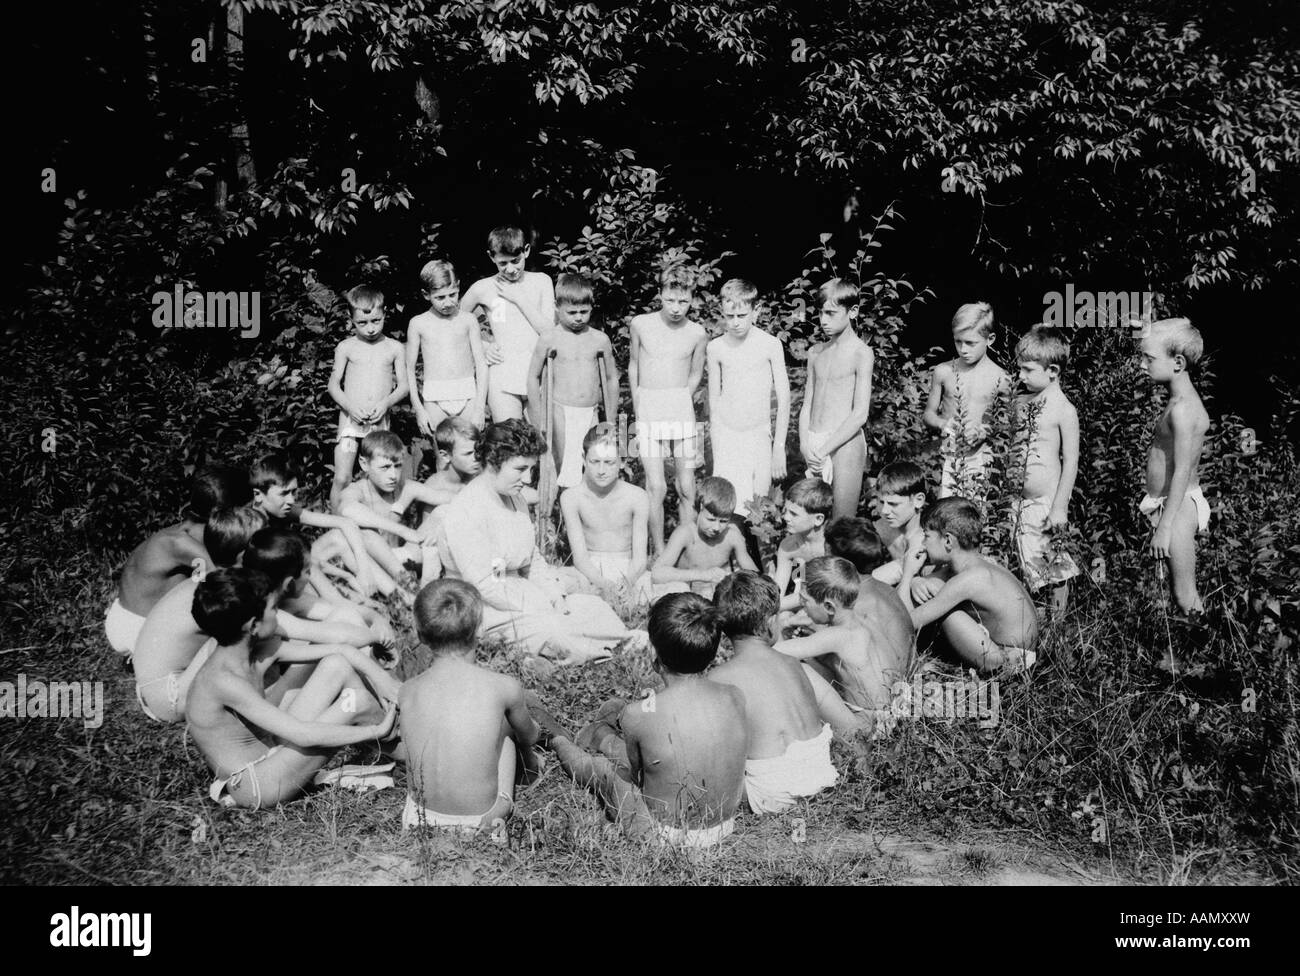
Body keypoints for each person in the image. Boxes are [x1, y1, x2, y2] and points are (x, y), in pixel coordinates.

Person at [133, 508, 380, 724]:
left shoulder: (226, 580)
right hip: (171, 697)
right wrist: (376, 637)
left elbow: (316, 607)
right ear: (245, 557)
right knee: (267, 637)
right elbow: (319, 630)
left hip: (159, 686)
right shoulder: (236, 594)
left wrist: (369, 617)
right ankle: (298, 712)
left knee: (270, 629)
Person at [543, 592, 749, 847]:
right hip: (722, 825)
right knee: (621, 712)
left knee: (605, 770)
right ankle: (600, 732)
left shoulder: (638, 714)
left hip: (663, 834)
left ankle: (559, 741)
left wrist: (610, 743)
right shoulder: (735, 695)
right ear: (712, 650)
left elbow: (635, 773)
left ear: (656, 654)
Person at [186, 568, 399, 810]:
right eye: (274, 610)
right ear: (254, 625)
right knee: (356, 702)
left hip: (273, 752)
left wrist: (381, 678)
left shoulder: (254, 648)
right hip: (257, 784)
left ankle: (397, 733)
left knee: (336, 666)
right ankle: (411, 752)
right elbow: (302, 735)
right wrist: (374, 731)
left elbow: (339, 650)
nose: (278, 616)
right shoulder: (223, 680)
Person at [436, 420, 641, 665]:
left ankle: (618, 643)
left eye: (531, 469)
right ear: (492, 462)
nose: (527, 478)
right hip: (478, 607)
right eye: (520, 469)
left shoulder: (515, 499)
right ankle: (601, 652)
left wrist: (554, 594)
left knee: (591, 606)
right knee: (551, 628)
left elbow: (531, 558)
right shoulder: (467, 510)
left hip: (520, 594)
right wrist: (539, 604)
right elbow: (485, 584)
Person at [399, 579, 543, 833]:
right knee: (507, 724)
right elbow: (530, 736)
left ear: (420, 635)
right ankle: (505, 800)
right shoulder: (502, 686)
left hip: (419, 816)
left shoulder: (407, 690)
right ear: (478, 630)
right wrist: (533, 729)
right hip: (480, 817)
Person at [711, 571, 839, 814]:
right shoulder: (793, 663)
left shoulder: (719, 678)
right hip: (821, 776)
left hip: (772, 792)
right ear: (771, 623)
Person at [106, 464, 250, 657]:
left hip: (132, 617)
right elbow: (222, 588)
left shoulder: (189, 532)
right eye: (247, 511)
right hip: (134, 626)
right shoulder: (183, 545)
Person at [900, 497, 1038, 673]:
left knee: (943, 611)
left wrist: (906, 575)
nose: (923, 544)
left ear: (948, 541)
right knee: (936, 595)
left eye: (926, 536)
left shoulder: (968, 579)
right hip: (1018, 654)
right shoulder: (978, 565)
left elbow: (907, 622)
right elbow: (930, 581)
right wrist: (916, 581)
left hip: (1010, 663)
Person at [628, 267, 708, 553]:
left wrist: (681, 398)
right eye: (670, 300)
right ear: (660, 294)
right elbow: (634, 365)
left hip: (680, 409)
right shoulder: (640, 324)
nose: (676, 308)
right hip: (648, 406)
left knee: (686, 485)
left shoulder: (698, 333)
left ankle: (689, 550)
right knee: (656, 485)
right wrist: (639, 403)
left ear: (692, 299)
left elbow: (696, 372)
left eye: (683, 301)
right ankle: (660, 552)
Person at [776, 557, 905, 732]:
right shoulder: (862, 621)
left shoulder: (837, 636)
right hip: (894, 713)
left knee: (795, 665)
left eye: (804, 601)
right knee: (817, 660)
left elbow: (777, 651)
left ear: (829, 607)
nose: (802, 607)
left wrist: (780, 628)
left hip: (870, 724)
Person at [1139, 318, 1210, 614]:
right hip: (1170, 503)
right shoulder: (1178, 400)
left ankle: (1207, 653)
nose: (1143, 364)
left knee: (1184, 595)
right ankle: (1181, 654)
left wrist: (1166, 526)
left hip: (1178, 509)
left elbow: (1182, 470)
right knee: (1174, 592)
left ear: (1178, 362)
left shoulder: (1183, 410)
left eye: (1149, 358)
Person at [526, 272, 618, 501]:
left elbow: (610, 379)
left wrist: (612, 419)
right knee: (562, 466)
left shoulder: (599, 339)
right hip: (560, 411)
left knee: (593, 465)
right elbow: (532, 377)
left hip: (591, 411)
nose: (578, 318)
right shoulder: (550, 338)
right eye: (572, 312)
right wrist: (538, 418)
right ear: (557, 307)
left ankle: (585, 515)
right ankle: (554, 518)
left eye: (584, 312)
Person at [1011, 326, 1081, 613]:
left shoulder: (1064, 409)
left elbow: (1071, 460)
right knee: (1026, 564)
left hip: (1046, 501)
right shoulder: (1020, 402)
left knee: (1053, 566)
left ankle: (1057, 628)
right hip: (1017, 499)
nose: (1020, 376)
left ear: (1052, 370)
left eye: (1027, 370)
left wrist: (1060, 507)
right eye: (1019, 369)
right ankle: (1032, 621)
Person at [706, 278, 790, 510]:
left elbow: (784, 400)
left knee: (758, 507)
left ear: (756, 311)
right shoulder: (716, 348)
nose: (735, 323)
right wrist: (717, 445)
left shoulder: (770, 344)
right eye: (729, 316)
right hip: (728, 437)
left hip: (758, 436)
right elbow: (714, 401)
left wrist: (779, 448)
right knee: (726, 507)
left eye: (741, 316)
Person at [249, 451, 378, 600]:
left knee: (338, 537)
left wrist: (364, 569)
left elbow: (345, 522)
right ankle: (344, 605)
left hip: (295, 571)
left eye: (293, 492)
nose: (291, 500)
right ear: (258, 495)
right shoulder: (250, 527)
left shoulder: (281, 509)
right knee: (306, 566)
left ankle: (396, 595)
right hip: (275, 589)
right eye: (284, 493)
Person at [460, 225, 556, 422]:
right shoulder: (482, 288)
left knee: (542, 441)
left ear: (526, 251)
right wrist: (484, 346)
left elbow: (549, 332)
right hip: (502, 372)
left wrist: (519, 298)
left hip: (538, 370)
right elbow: (455, 324)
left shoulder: (541, 282)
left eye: (516, 261)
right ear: (491, 257)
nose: (511, 269)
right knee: (506, 442)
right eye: (503, 263)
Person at [327, 285, 410, 512]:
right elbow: (333, 384)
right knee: (342, 477)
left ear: (384, 314)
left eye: (376, 320)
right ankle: (337, 524)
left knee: (379, 477)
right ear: (351, 319)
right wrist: (349, 406)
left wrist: (386, 403)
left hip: (379, 421)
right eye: (362, 323)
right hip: (350, 422)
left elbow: (404, 386)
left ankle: (379, 522)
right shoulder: (346, 347)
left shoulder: (393, 347)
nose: (370, 328)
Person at [337, 431, 452, 590]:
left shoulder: (404, 487)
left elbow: (453, 499)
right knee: (368, 535)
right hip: (370, 564)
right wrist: (403, 531)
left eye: (397, 466)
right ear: (364, 464)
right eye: (385, 467)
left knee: (443, 512)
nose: (393, 475)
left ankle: (429, 583)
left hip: (405, 557)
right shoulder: (357, 490)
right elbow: (347, 509)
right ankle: (415, 589)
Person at [800, 279, 873, 520]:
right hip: (814, 444)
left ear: (852, 311)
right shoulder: (815, 352)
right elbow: (807, 404)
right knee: (811, 521)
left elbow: (860, 413)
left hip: (844, 443)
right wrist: (804, 444)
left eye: (831, 313)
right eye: (820, 313)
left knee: (842, 523)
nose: (823, 320)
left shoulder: (861, 352)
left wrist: (825, 449)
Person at [923, 302, 1010, 502]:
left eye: (971, 343)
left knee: (977, 518)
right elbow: (928, 414)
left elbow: (1011, 424)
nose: (963, 349)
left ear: (990, 339)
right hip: (948, 457)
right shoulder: (943, 371)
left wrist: (986, 431)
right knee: (945, 514)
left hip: (983, 459)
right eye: (958, 341)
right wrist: (942, 423)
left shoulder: (1001, 378)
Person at [560, 423, 651, 605]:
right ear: (584, 459)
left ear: (622, 462)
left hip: (629, 568)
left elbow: (640, 557)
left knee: (656, 588)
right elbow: (580, 558)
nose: (601, 471)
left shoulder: (637, 496)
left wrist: (627, 581)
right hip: (589, 570)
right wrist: (603, 584)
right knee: (558, 582)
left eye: (609, 462)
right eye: (595, 462)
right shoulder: (571, 497)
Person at [407, 260, 488, 433]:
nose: (448, 302)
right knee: (443, 457)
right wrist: (419, 409)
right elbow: (409, 369)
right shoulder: (418, 323)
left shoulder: (468, 320)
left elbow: (481, 364)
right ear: (426, 294)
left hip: (468, 394)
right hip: (435, 397)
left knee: (470, 454)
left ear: (458, 287)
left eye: (453, 294)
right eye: (440, 297)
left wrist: (480, 408)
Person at [823, 517, 915, 665]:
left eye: (826, 556)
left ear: (838, 562)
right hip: (899, 670)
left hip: (885, 678)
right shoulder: (884, 589)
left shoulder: (855, 601)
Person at [651, 476, 757, 599]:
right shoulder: (685, 534)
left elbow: (753, 573)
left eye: (723, 521)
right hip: (686, 595)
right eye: (711, 520)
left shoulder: (732, 535)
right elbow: (657, 574)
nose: (716, 527)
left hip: (716, 595)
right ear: (699, 509)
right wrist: (703, 575)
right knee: (677, 588)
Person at [774, 478, 833, 611]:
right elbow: (777, 592)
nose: (786, 518)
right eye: (785, 511)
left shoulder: (831, 547)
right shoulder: (788, 546)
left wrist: (773, 608)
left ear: (818, 519)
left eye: (794, 514)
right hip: (801, 602)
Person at [870, 461, 929, 587]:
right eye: (881, 502)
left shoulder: (924, 539)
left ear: (918, 500)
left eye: (893, 504)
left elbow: (883, 577)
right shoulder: (881, 527)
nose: (884, 511)